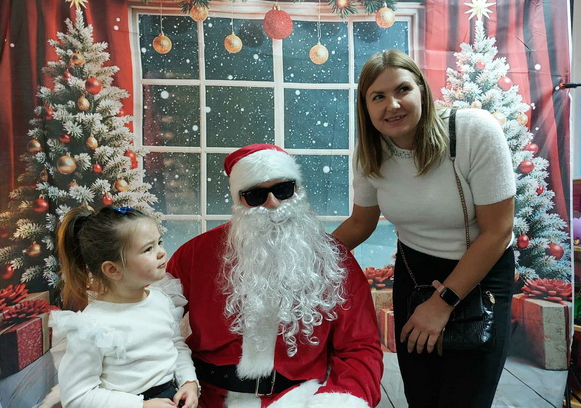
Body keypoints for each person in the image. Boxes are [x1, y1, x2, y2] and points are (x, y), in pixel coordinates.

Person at [332, 49, 516, 407]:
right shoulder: (369, 153)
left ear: (422, 90)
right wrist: (303, 257)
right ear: (365, 108)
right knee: (421, 395)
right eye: (378, 96)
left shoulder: (474, 131)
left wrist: (442, 303)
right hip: (414, 271)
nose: (392, 105)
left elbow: (498, 231)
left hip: (481, 270)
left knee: (465, 398)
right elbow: (360, 223)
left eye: (402, 89)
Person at [167, 143, 383, 408]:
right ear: (239, 200)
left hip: (300, 399)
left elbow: (360, 348)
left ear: (297, 190)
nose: (273, 203)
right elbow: (154, 325)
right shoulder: (195, 254)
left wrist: (338, 401)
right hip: (207, 398)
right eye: (256, 195)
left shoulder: (335, 259)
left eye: (283, 189)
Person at [50, 206, 200, 408]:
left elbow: (176, 346)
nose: (161, 253)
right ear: (113, 269)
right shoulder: (92, 326)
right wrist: (142, 406)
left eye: (159, 243)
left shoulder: (162, 300)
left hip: (172, 398)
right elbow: (77, 397)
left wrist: (189, 381)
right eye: (148, 249)